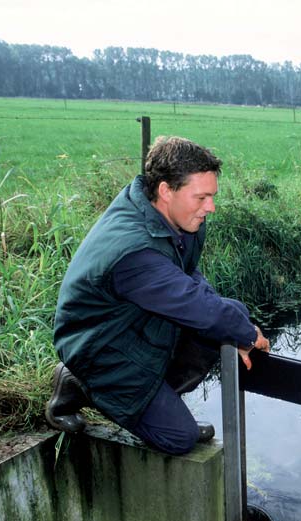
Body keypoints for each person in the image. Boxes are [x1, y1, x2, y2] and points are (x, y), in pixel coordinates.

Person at [46, 136, 270, 455]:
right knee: (179, 438)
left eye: (212, 196)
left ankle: (159, 401)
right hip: (100, 345)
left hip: (132, 321)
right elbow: (195, 305)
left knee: (230, 315)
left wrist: (235, 326)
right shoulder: (135, 251)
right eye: (202, 197)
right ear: (166, 190)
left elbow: (187, 276)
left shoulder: (172, 217)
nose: (211, 207)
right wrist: (246, 335)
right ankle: (79, 382)